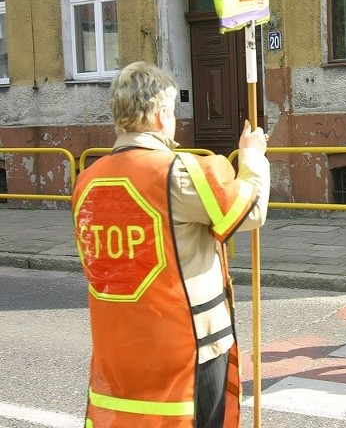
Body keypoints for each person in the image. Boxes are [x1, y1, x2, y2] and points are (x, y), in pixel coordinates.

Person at [72, 61, 270, 427]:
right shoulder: (181, 171)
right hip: (184, 346)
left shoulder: (87, 180)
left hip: (116, 349)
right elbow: (250, 210)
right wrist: (252, 156)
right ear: (162, 115)